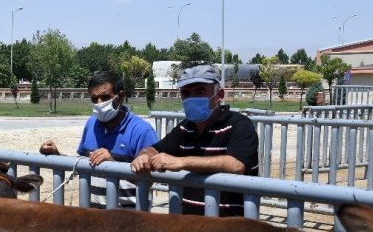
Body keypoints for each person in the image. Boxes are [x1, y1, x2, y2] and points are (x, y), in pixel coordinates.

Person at [130, 64, 259, 216]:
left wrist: (181, 162)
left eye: (200, 92)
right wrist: (145, 156)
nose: (192, 98)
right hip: (191, 229)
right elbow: (155, 149)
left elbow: (236, 165)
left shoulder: (239, 124)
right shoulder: (185, 128)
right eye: (186, 93)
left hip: (230, 229)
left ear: (219, 95)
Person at [40, 70, 158, 208]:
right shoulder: (91, 123)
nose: (99, 103)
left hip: (128, 216)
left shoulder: (142, 130)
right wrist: (57, 155)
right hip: (93, 215)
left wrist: (113, 165)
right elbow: (84, 164)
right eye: (94, 98)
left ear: (120, 96)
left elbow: (149, 180)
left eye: (105, 97)